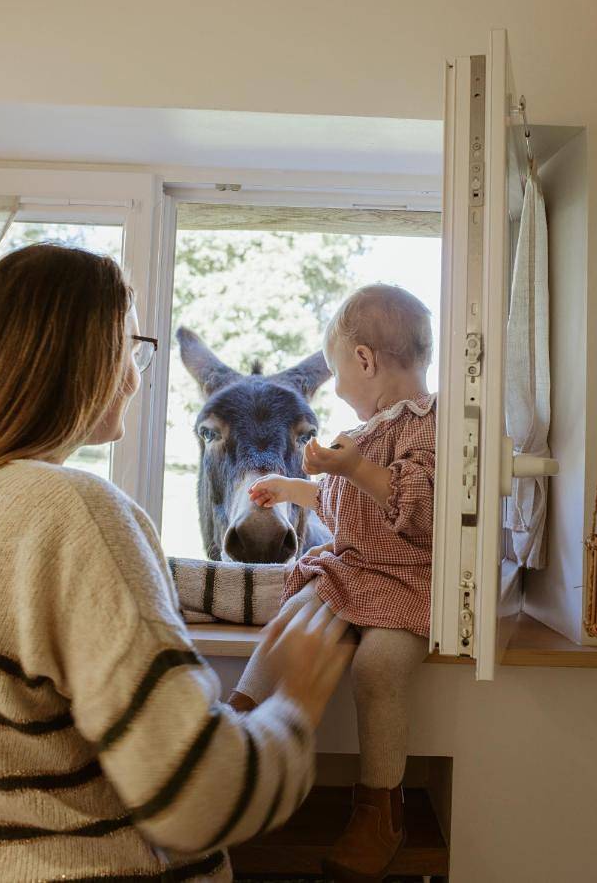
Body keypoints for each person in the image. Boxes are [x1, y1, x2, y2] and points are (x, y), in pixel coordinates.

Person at [0, 244, 350, 882]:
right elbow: (194, 801)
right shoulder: (75, 513)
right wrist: (296, 703)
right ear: (90, 359)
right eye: (130, 343)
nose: (135, 370)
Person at [231, 283, 436, 883]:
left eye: (341, 378)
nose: (342, 393)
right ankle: (234, 727)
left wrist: (351, 464)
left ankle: (379, 811)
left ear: (365, 360)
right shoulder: (363, 436)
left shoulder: (431, 425)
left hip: (407, 586)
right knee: (292, 623)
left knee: (380, 668)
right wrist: (293, 490)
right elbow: (344, 502)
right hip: (353, 574)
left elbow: (416, 508)